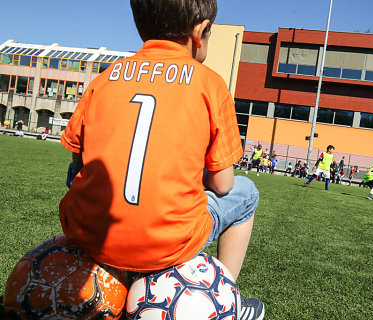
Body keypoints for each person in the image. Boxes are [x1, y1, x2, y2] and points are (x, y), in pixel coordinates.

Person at [59, 1, 264, 318]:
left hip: (91, 233)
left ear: (140, 24)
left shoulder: (104, 79)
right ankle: (223, 298)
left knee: (78, 177)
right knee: (246, 192)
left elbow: (79, 162)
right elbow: (223, 185)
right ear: (200, 32)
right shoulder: (210, 84)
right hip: (168, 241)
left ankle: (111, 282)